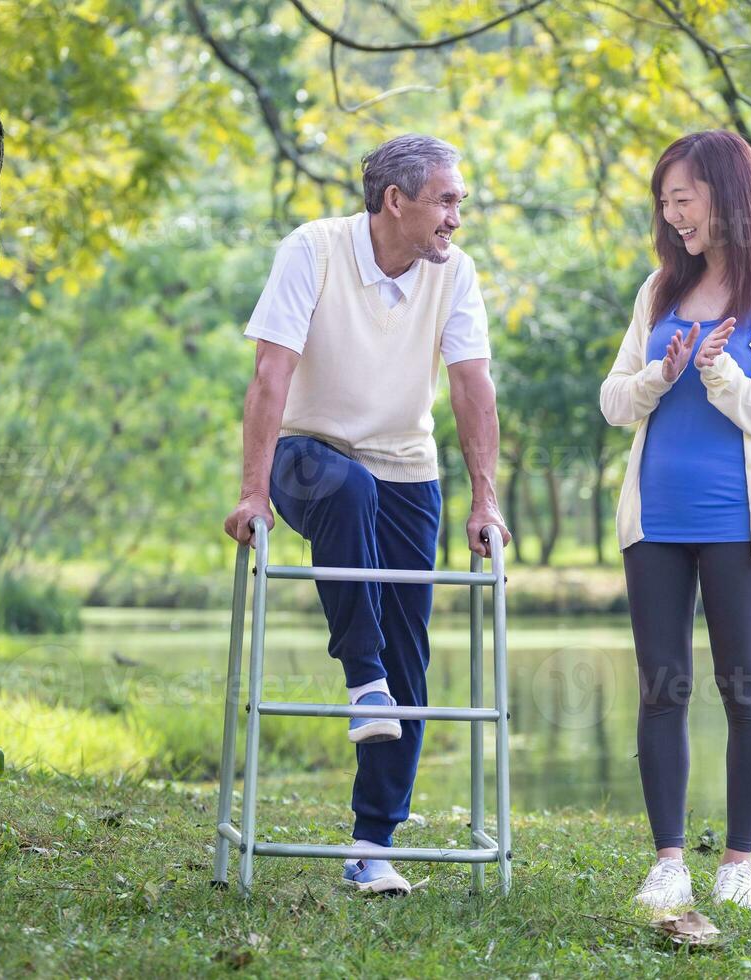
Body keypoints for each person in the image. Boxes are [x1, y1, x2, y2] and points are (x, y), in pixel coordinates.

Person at [223, 133, 510, 896]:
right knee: (348, 490)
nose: (457, 217)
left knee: (412, 657)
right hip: (308, 454)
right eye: (446, 200)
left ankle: (371, 844)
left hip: (407, 464)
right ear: (396, 201)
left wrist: (486, 500)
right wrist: (254, 490)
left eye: (459, 202)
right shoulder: (313, 250)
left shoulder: (457, 276)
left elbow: (472, 388)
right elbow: (270, 374)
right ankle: (362, 682)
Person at [599, 130, 751, 910]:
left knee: (742, 687)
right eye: (665, 201)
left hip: (741, 520)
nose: (672, 214)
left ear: (725, 194)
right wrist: (660, 374)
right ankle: (667, 861)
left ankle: (738, 864)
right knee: (662, 686)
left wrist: (722, 375)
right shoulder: (660, 289)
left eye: (683, 198)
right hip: (655, 516)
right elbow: (613, 398)